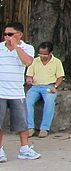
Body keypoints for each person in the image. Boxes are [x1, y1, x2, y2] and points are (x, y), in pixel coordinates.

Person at [0, 21, 40, 161]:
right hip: (0, 92)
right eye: (5, 34)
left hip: (17, 92)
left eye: (10, 34)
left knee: (22, 123)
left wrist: (16, 47)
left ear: (20, 35)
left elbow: (28, 62)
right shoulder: (0, 48)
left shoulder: (27, 48)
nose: (7, 37)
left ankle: (24, 149)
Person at [25, 41, 65, 138]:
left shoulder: (56, 62)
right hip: (35, 87)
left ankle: (44, 128)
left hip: (49, 86)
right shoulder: (34, 61)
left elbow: (60, 77)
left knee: (49, 101)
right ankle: (30, 127)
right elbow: (29, 75)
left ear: (50, 53)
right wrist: (29, 80)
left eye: (44, 54)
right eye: (40, 53)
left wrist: (54, 87)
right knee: (27, 101)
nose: (42, 56)